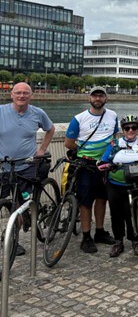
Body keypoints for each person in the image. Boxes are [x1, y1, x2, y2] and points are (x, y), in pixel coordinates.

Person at [0, 82, 55, 256]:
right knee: (8, 201)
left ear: (31, 95)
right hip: (4, 166)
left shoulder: (38, 113)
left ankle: (17, 233)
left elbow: (51, 129)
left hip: (28, 165)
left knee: (24, 202)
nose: (21, 96)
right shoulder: (1, 111)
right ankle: (12, 234)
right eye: (18, 93)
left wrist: (41, 150)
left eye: (25, 93)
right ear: (11, 95)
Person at [65, 86, 119, 253]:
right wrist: (83, 153)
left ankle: (100, 232)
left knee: (102, 199)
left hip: (104, 164)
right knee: (86, 201)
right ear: (89, 98)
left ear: (106, 98)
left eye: (100, 96)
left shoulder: (113, 116)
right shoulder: (79, 118)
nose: (97, 99)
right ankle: (86, 236)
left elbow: (115, 136)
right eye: (94, 96)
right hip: (86, 165)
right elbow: (69, 143)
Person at [98, 115, 138, 258]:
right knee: (116, 213)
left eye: (134, 127)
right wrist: (102, 164)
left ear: (137, 129)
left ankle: (135, 240)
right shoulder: (115, 143)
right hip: (115, 184)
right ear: (123, 130)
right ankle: (118, 241)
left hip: (135, 183)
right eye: (127, 128)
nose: (131, 130)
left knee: (131, 213)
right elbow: (104, 158)